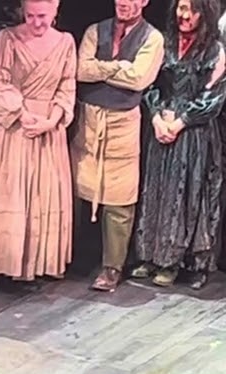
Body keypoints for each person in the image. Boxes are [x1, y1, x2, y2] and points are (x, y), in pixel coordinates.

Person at [0, 0, 77, 294]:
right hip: (9, 125)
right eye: (31, 16)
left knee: (37, 195)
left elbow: (67, 84)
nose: (37, 22)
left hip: (46, 126)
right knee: (5, 195)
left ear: (55, 12)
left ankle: (29, 265)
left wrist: (51, 120)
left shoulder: (65, 43)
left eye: (44, 17)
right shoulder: (6, 39)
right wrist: (24, 116)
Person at [131, 0, 225, 290]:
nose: (185, 15)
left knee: (187, 195)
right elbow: (151, 85)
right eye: (182, 8)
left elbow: (215, 98)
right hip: (162, 127)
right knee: (157, 190)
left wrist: (180, 122)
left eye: (193, 10)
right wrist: (158, 118)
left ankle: (178, 262)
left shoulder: (214, 51)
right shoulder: (165, 43)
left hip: (193, 133)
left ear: (205, 13)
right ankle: (151, 256)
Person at [72, 0, 164, 292]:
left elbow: (139, 78)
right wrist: (117, 67)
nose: (124, 3)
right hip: (88, 117)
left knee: (118, 197)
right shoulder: (95, 31)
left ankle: (112, 267)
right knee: (76, 187)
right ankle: (69, 257)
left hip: (123, 122)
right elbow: (80, 70)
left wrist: (101, 70)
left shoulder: (152, 37)